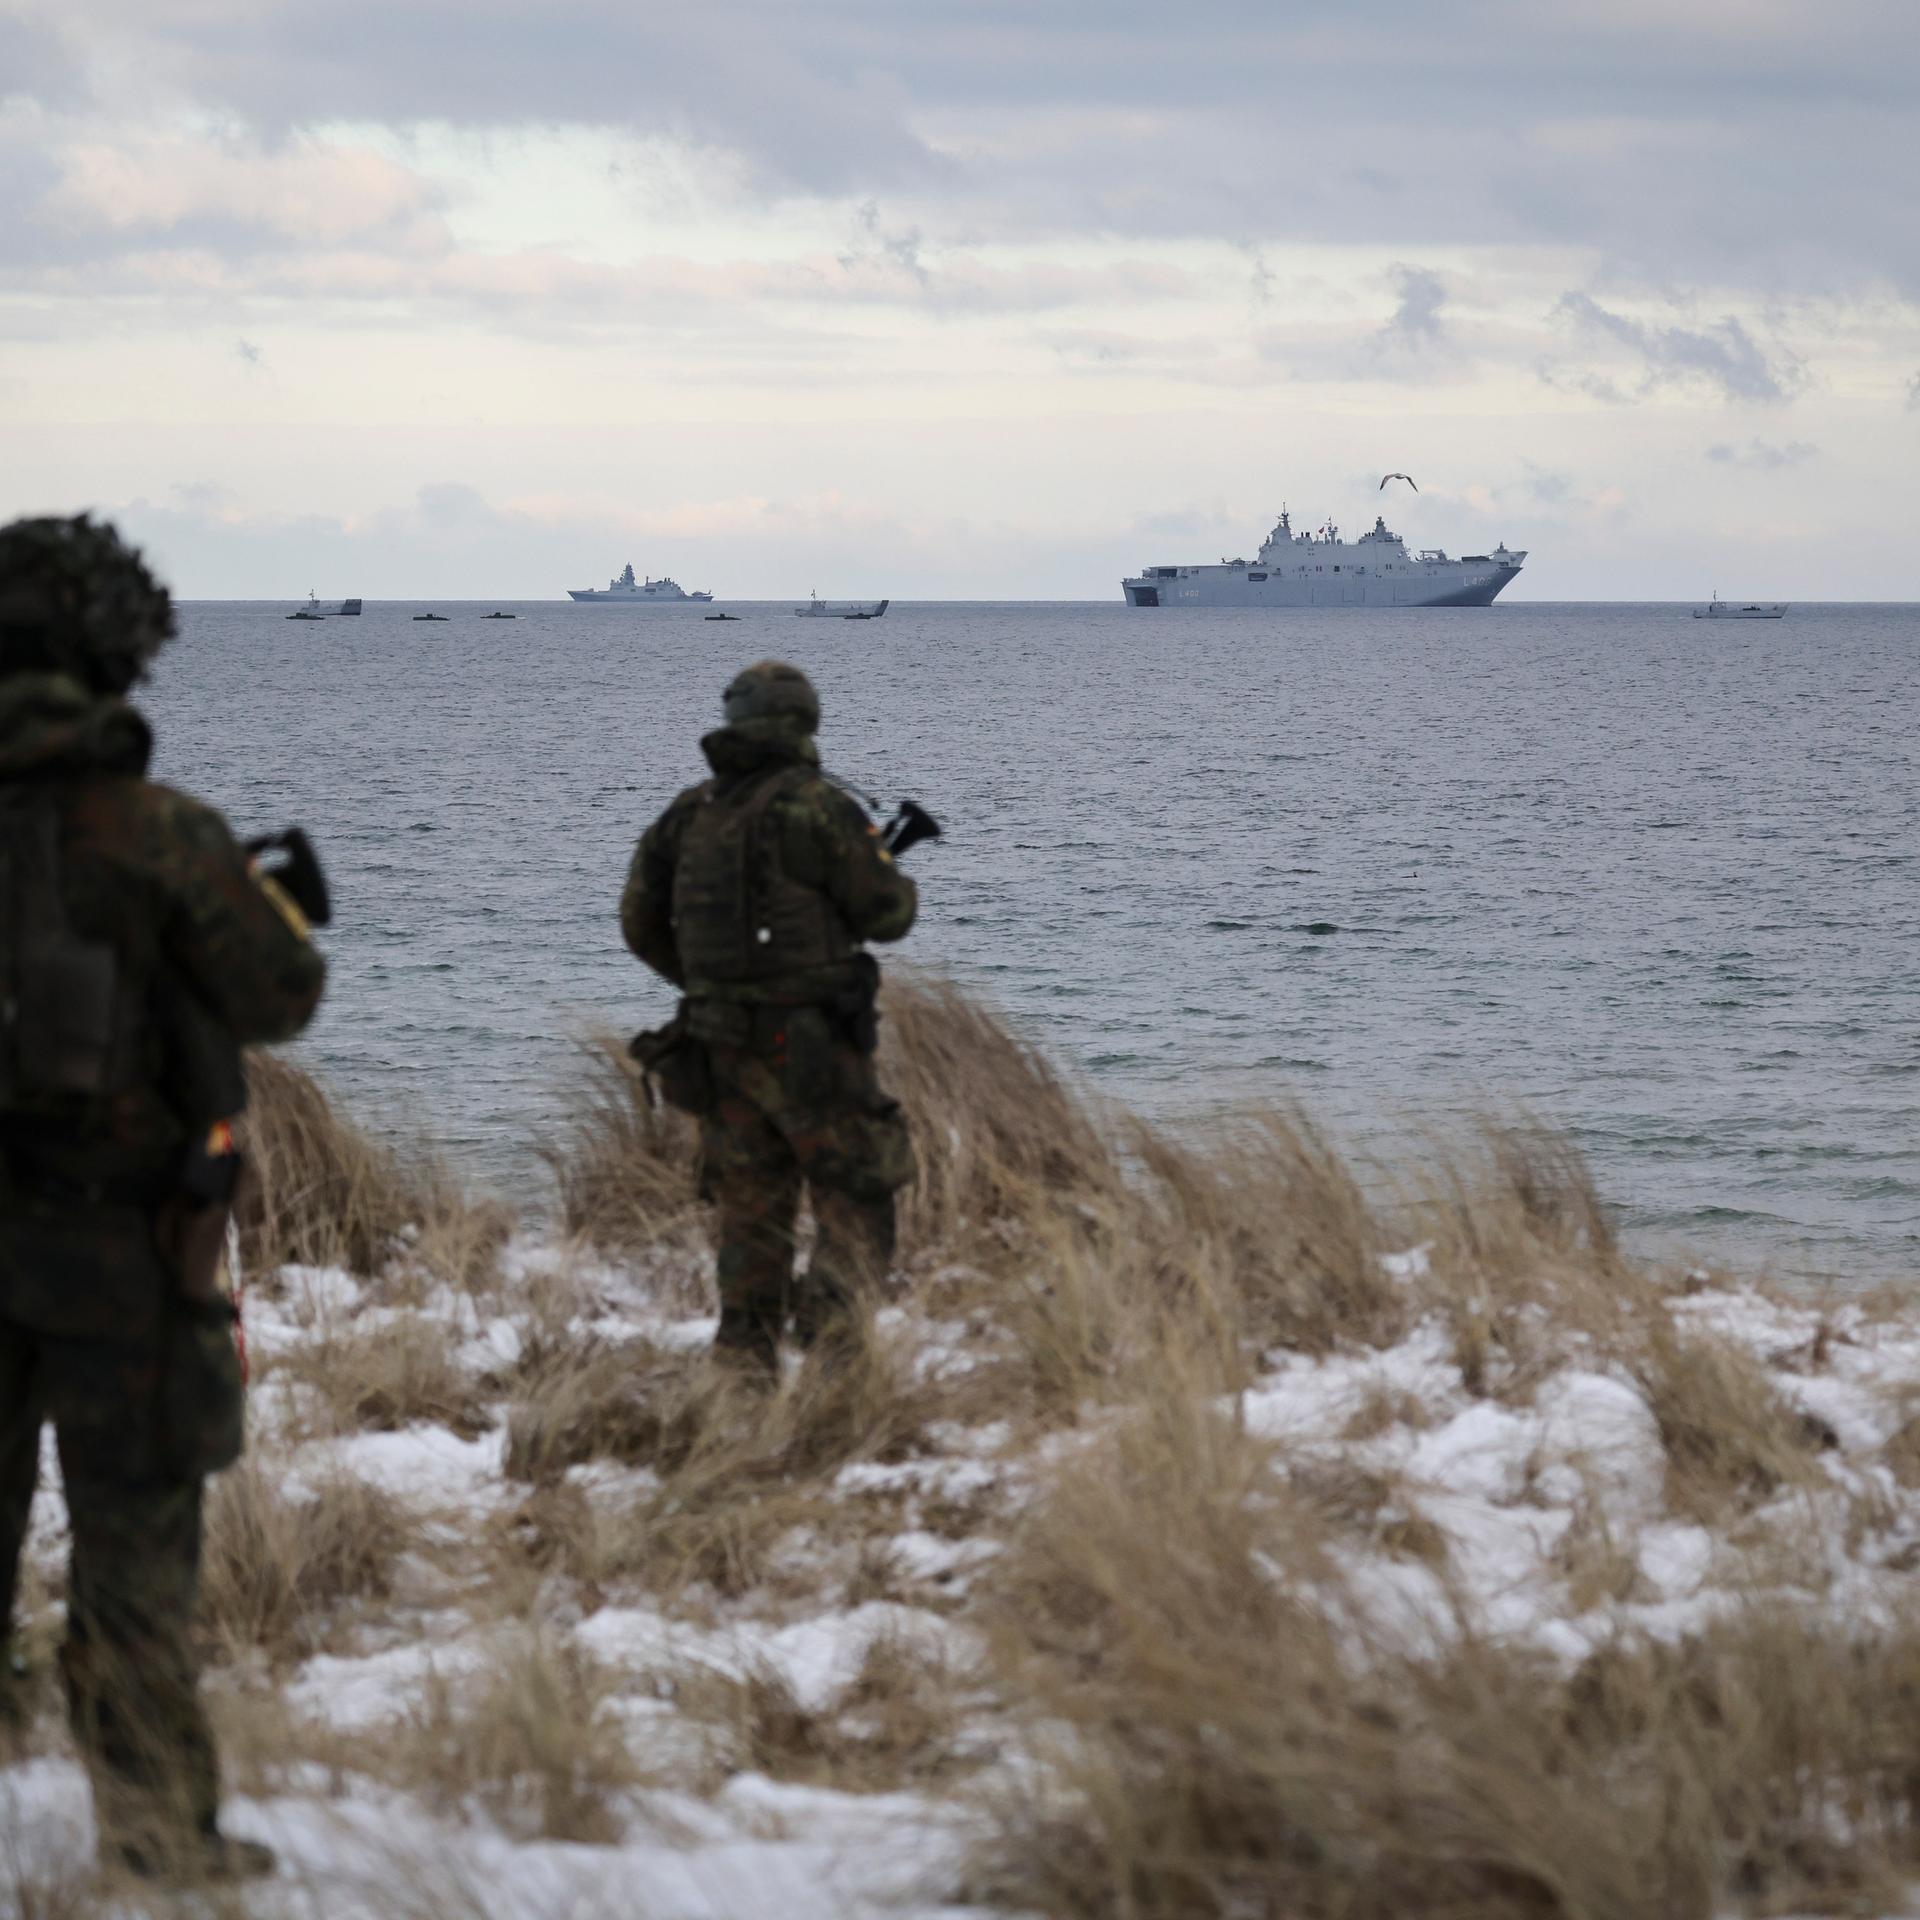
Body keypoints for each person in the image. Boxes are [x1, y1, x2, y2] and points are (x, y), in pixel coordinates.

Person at [0, 515, 326, 1882]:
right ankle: (150, 1839)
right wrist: (274, 905)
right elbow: (281, 993)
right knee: (133, 1567)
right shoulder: (160, 835)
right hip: (118, 1260)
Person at [621, 660, 917, 1375]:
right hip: (816, 1048)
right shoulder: (819, 808)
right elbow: (889, 916)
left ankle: (744, 1371)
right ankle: (834, 1358)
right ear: (804, 722)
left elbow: (638, 921)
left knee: (751, 1214)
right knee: (857, 1192)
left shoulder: (689, 814)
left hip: (719, 1047)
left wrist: (708, 986)